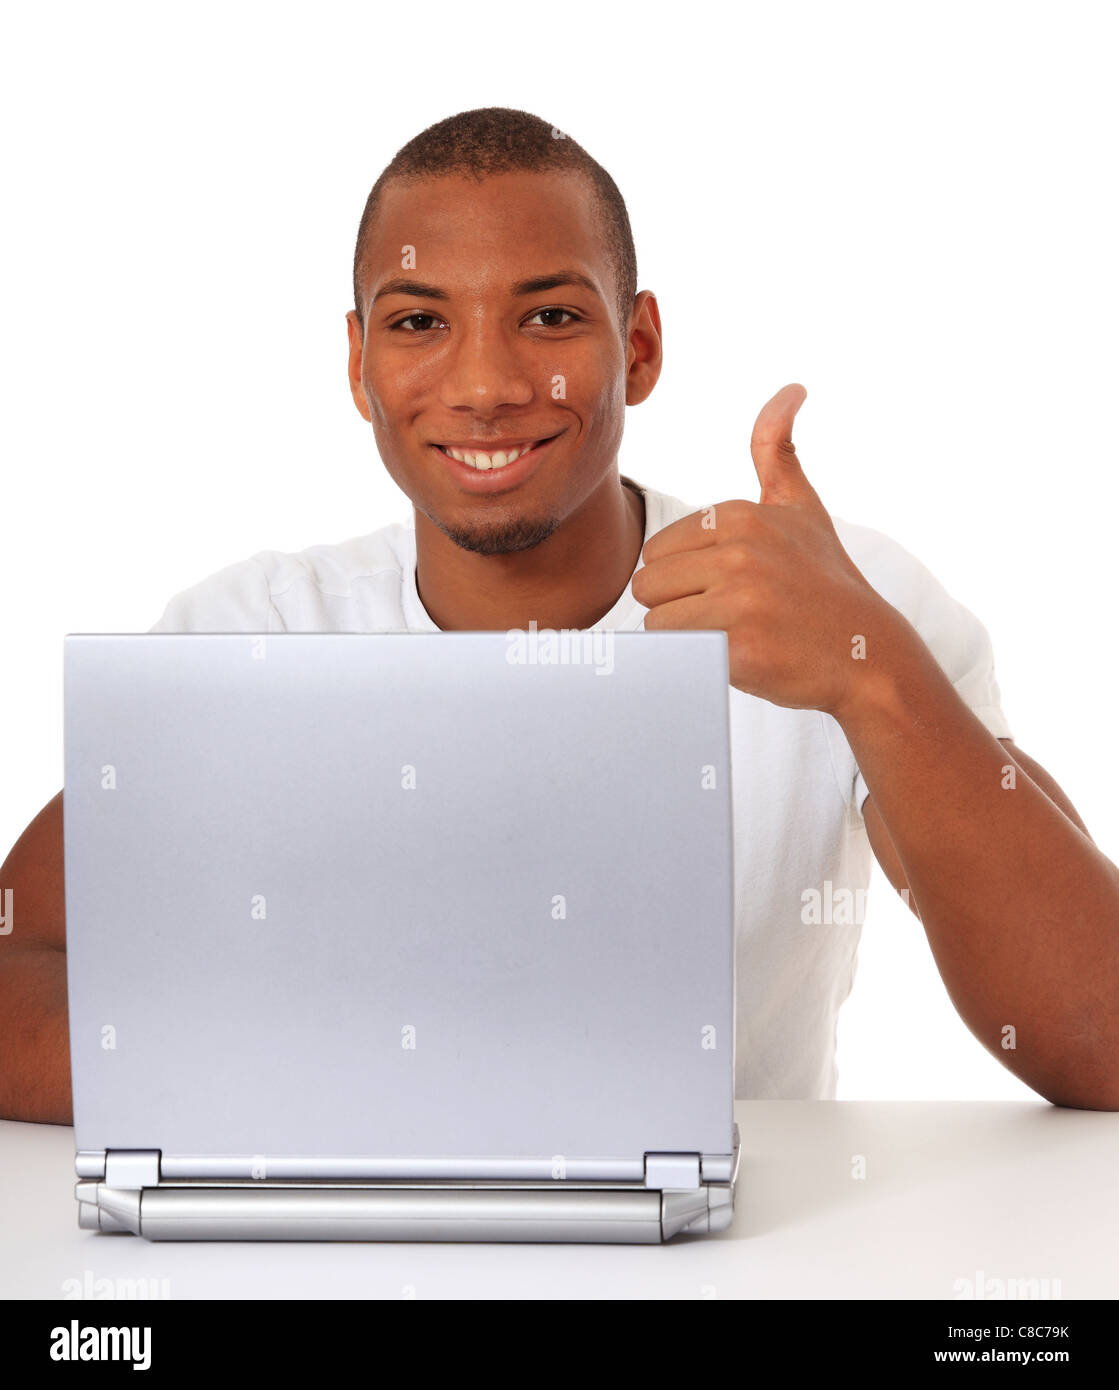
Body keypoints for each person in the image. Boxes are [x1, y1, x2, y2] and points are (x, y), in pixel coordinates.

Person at [3, 107, 1117, 1126]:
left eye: (548, 315)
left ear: (637, 350)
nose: (484, 382)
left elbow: (1099, 1040)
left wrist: (870, 676)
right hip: (328, 1240)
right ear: (358, 364)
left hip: (739, 1256)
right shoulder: (247, 633)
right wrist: (350, 1092)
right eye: (419, 320)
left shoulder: (834, 599)